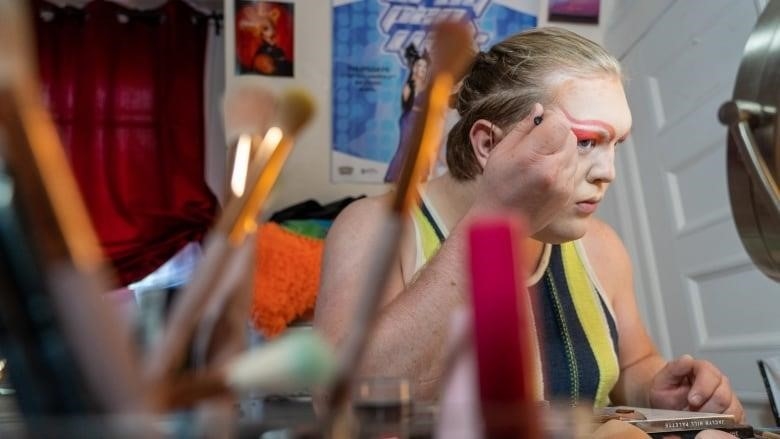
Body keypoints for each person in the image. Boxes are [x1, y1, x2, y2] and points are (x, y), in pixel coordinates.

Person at [313, 27, 744, 422]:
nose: (607, 172)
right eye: (586, 142)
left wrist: (658, 386)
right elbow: (342, 404)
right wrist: (496, 219)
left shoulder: (600, 246)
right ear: (488, 144)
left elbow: (632, 364)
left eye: (616, 144)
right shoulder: (376, 229)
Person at [384, 44, 431, 182]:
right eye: (419, 66)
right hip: (409, 120)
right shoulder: (409, 85)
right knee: (405, 147)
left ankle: (420, 176)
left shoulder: (428, 86)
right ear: (414, 68)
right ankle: (395, 177)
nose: (421, 69)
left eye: (424, 66)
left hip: (422, 121)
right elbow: (406, 104)